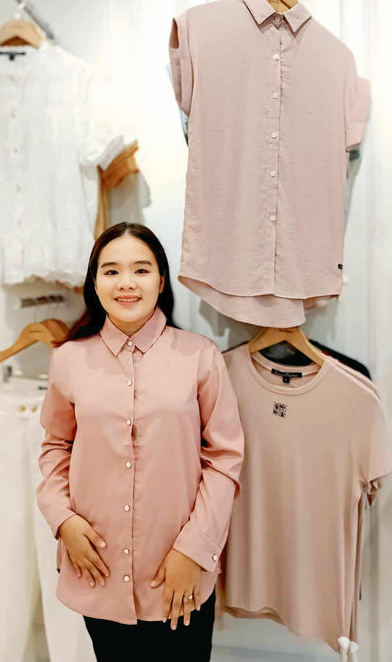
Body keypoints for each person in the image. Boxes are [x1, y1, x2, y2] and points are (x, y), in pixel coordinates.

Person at [36, 222, 244, 662]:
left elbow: (225, 460)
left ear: (161, 281)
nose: (126, 282)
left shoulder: (200, 356)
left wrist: (194, 550)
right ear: (94, 283)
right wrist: (62, 519)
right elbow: (56, 447)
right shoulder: (68, 359)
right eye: (111, 271)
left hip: (178, 575)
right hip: (99, 568)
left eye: (141, 270)